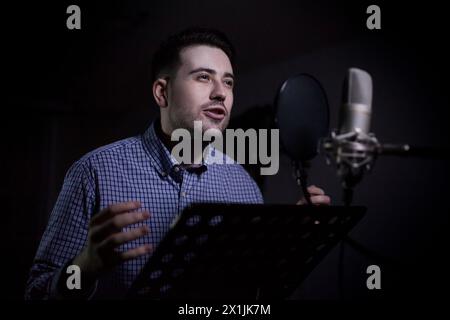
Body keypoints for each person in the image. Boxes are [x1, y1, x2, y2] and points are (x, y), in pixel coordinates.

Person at [25, 27, 331, 299]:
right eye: (203, 77)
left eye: (228, 82)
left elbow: (253, 293)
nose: (221, 93)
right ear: (162, 92)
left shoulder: (244, 186)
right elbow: (36, 292)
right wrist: (84, 267)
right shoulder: (94, 171)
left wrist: (290, 243)